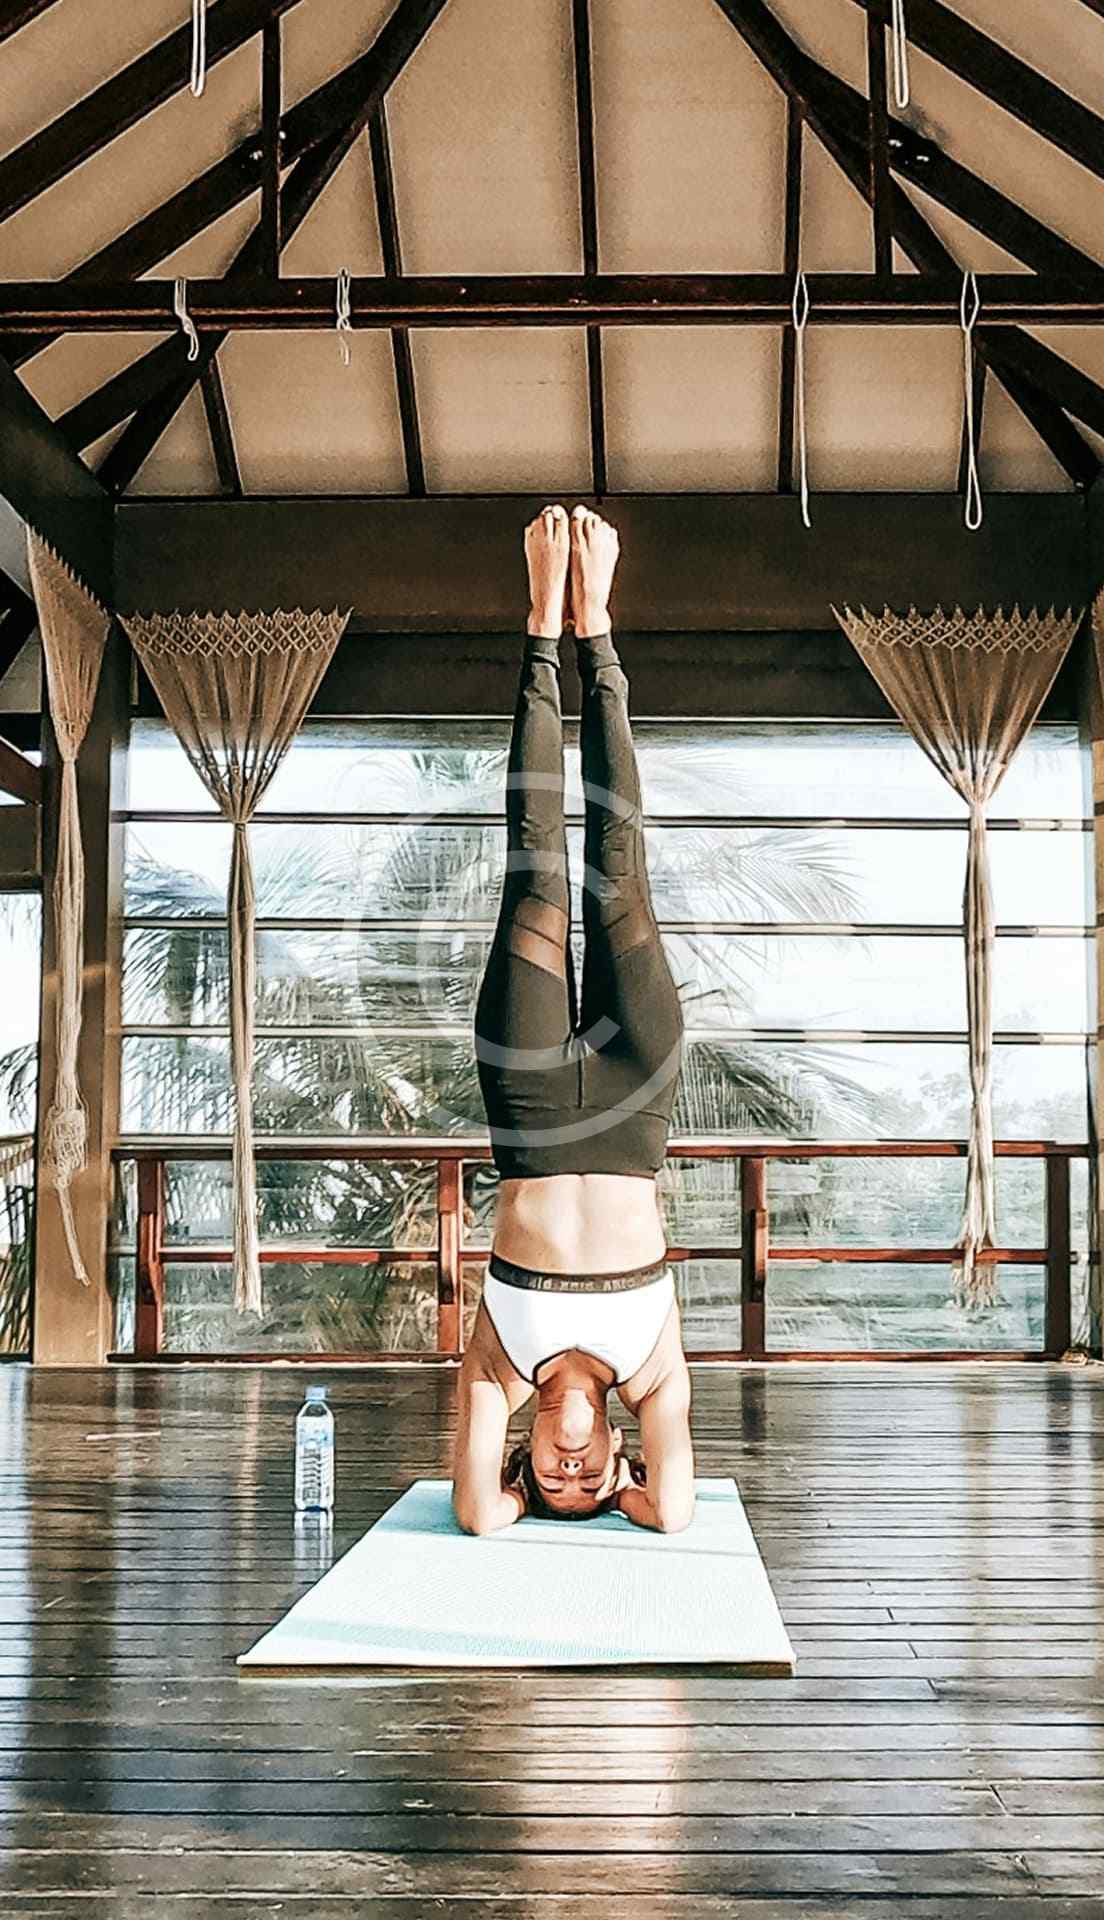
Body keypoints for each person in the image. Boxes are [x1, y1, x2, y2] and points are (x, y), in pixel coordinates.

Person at [451, 504, 695, 1536]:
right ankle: (601, 633)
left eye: (550, 1483)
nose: (570, 1473)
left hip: (532, 1105)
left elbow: (475, 1515)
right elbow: (675, 1512)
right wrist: (633, 1498)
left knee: (537, 867)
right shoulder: (652, 1374)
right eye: (590, 1483)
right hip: (637, 1097)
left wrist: (510, 1502)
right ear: (615, 1458)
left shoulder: (499, 1367)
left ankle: (542, 624)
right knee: (620, 872)